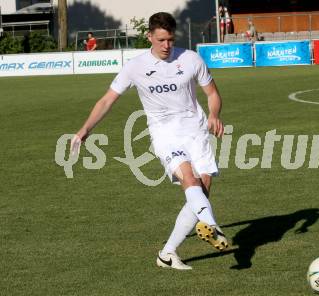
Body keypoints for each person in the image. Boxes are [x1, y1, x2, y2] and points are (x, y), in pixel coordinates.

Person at [70, 12, 228, 270]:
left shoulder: (190, 59)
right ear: (150, 37)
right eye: (161, 40)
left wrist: (213, 114)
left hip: (195, 130)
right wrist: (84, 130)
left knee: (202, 189)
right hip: (164, 133)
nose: (167, 46)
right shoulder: (135, 67)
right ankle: (212, 227)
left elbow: (212, 93)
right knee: (190, 180)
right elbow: (107, 100)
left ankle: (167, 253)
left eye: (170, 40)